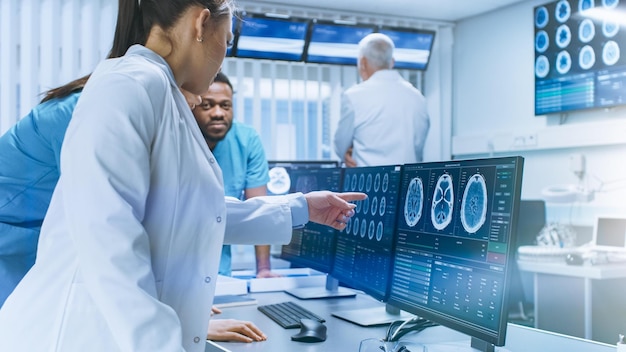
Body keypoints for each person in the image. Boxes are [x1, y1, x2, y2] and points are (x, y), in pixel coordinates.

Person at [0, 1, 365, 351]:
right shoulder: (127, 85)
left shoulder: (160, 92)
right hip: (75, 334)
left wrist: (300, 208)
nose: (226, 53)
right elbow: (108, 244)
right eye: (229, 40)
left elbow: (195, 212)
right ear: (201, 24)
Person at [191, 72, 278, 278]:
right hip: (175, 272)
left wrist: (264, 269)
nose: (218, 113)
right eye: (207, 105)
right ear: (192, 106)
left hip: (220, 273)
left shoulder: (247, 140)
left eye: (226, 105)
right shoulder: (175, 136)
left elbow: (259, 210)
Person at [333, 32, 430, 167]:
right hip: (407, 182)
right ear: (392, 62)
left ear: (362, 62)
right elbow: (418, 148)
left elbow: (340, 146)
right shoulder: (417, 97)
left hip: (367, 183)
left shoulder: (354, 97)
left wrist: (346, 153)